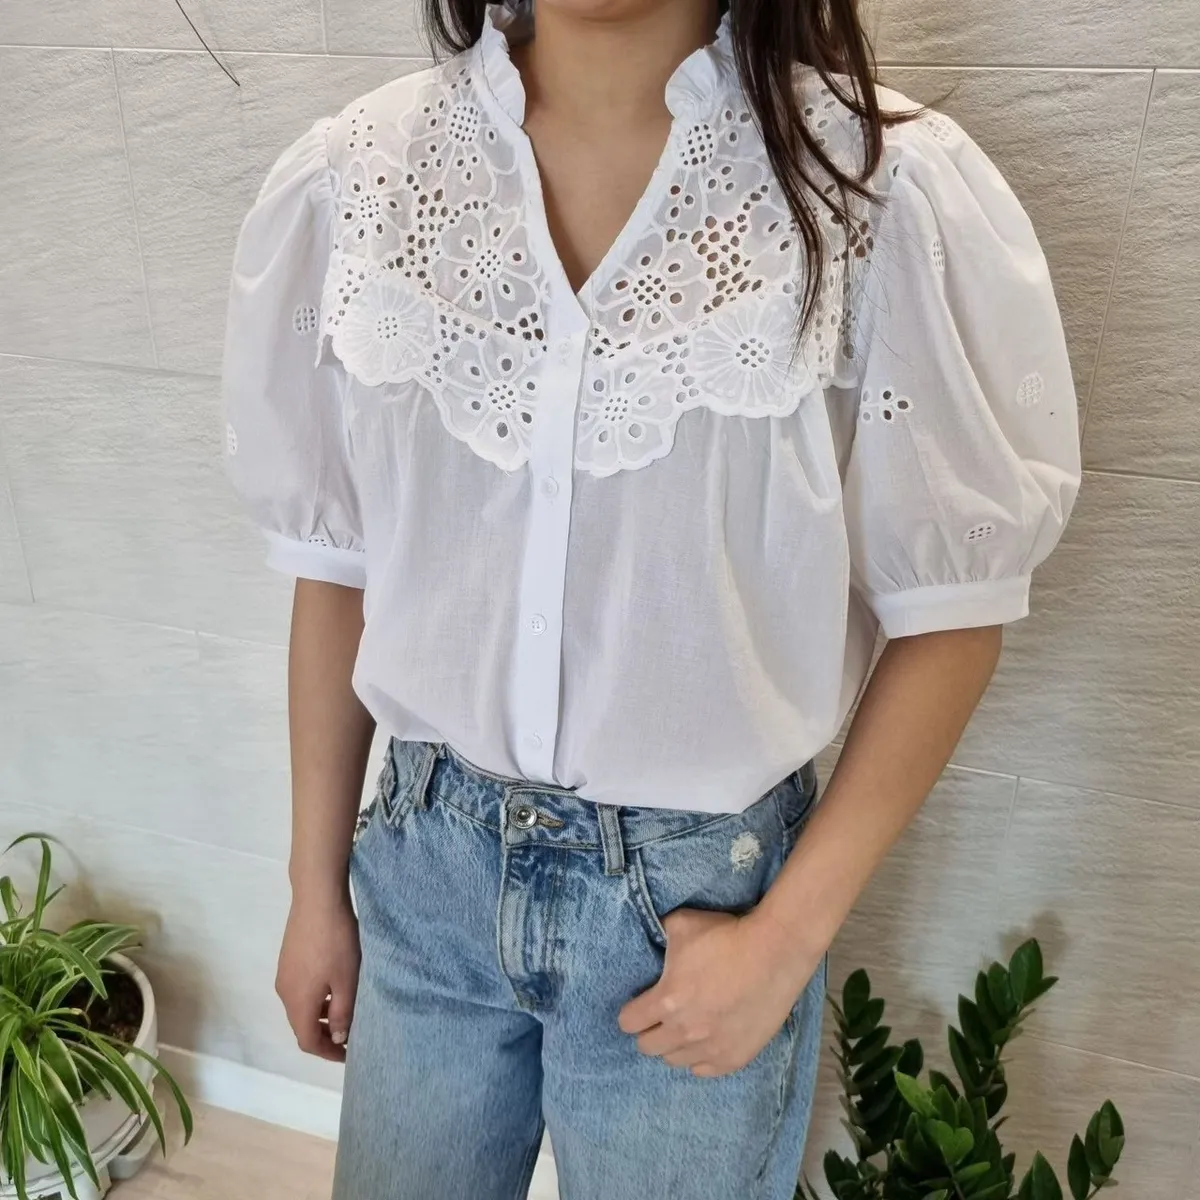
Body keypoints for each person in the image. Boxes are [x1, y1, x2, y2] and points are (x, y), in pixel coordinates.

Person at [221, 0, 1080, 1193]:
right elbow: (339, 563)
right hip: (426, 872)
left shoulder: (876, 193)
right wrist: (315, 884)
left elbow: (956, 604)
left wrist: (786, 941)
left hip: (699, 910)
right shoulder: (359, 176)